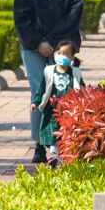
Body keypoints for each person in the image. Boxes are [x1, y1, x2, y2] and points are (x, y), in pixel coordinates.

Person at [13, 0, 85, 167]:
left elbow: (75, 13)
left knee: (64, 92)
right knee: (40, 93)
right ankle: (39, 143)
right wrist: (38, 43)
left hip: (64, 47)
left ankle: (62, 141)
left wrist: (57, 45)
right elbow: (21, 18)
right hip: (35, 48)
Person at [37, 40, 85, 168]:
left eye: (66, 54)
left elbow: (83, 89)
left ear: (72, 57)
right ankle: (53, 154)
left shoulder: (75, 73)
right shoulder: (49, 71)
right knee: (52, 130)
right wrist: (35, 102)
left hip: (68, 109)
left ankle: (63, 155)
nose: (62, 56)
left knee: (65, 131)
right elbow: (41, 88)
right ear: (54, 54)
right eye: (59, 53)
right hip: (51, 109)